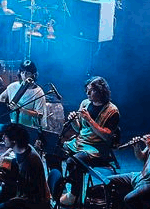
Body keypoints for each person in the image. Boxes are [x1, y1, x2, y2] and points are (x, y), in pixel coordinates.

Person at [55, 76, 121, 206]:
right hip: (80, 142)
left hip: (97, 148)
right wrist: (74, 121)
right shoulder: (85, 103)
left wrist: (89, 119)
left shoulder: (112, 111)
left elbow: (106, 137)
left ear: (101, 91)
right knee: (53, 151)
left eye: (91, 90)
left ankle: (74, 195)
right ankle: (60, 188)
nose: (87, 93)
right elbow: (79, 128)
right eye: (87, 90)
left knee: (73, 161)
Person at [0, 123, 51, 209]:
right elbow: (10, 163)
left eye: (5, 136)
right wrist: (3, 160)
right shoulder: (24, 148)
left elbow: (26, 191)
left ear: (14, 141)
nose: (3, 138)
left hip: (32, 201)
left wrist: (3, 178)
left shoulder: (29, 162)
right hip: (21, 191)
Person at [0, 60, 44, 160]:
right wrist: (3, 110)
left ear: (33, 75)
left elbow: (39, 114)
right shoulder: (13, 86)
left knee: (19, 143)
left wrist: (22, 110)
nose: (24, 75)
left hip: (26, 126)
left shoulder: (38, 92)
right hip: (11, 122)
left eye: (28, 73)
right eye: (22, 72)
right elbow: (2, 97)